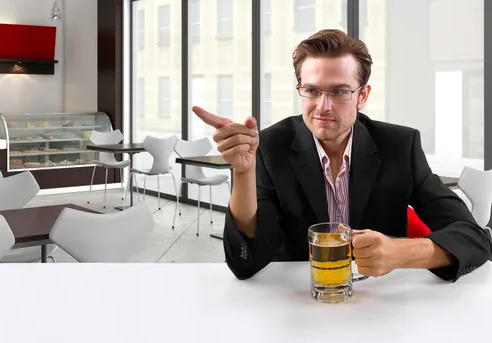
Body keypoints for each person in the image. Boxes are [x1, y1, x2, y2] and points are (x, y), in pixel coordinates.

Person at [193, 29, 492, 282]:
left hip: (380, 302)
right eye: (311, 90)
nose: (322, 106)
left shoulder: (399, 146)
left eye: (338, 92)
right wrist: (243, 172)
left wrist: (400, 253)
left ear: (362, 95)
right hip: (296, 300)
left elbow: (474, 238)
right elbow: (247, 262)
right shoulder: (272, 146)